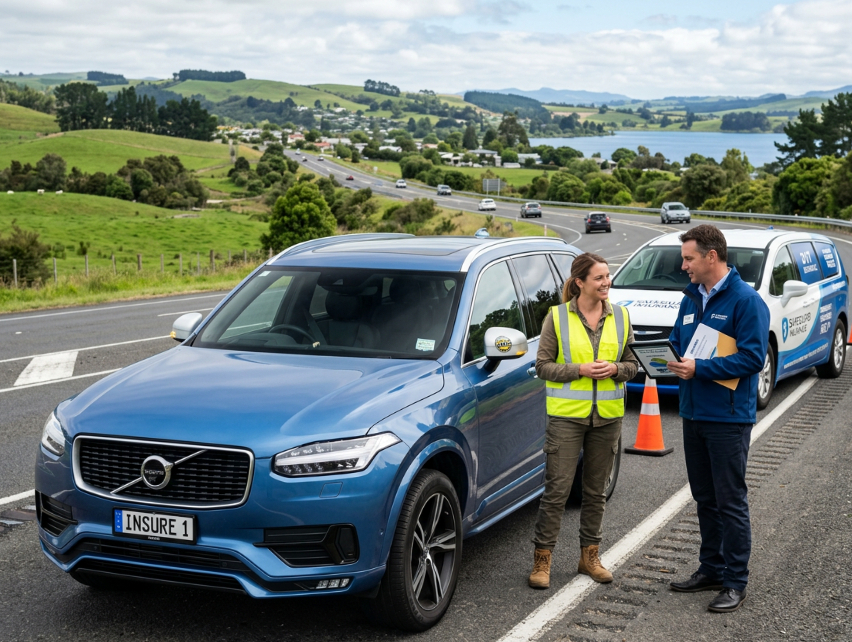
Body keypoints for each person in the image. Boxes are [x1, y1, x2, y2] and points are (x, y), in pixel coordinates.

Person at [666, 225, 770, 613]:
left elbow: (752, 358)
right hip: (693, 412)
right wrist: (668, 355)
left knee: (730, 501)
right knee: (704, 498)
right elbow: (680, 339)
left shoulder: (747, 301)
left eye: (689, 258)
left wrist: (701, 368)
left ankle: (735, 581)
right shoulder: (691, 298)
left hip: (727, 420)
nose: (684, 265)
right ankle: (710, 568)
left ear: (712, 256)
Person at [529, 252, 638, 589]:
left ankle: (589, 556)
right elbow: (543, 366)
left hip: (607, 418)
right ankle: (542, 561)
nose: (607, 282)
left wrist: (617, 369)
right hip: (566, 419)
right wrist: (580, 370)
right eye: (600, 278)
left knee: (595, 493)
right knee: (557, 491)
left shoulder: (621, 316)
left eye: (608, 277)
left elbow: (633, 363)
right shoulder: (557, 317)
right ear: (580, 282)